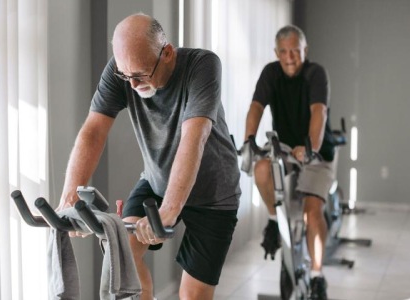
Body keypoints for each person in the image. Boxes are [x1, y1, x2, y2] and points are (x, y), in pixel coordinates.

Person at [57, 13, 241, 300]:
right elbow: (93, 130)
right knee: (121, 254)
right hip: (157, 182)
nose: (131, 84)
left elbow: (194, 139)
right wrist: (70, 195)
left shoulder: (203, 66)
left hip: (214, 193)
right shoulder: (124, 69)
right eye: (124, 76)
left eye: (140, 75)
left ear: (166, 53)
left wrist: (169, 210)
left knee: (192, 295)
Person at [243, 25, 335, 300]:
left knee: (311, 210)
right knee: (261, 168)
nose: (290, 57)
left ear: (305, 51)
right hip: (284, 148)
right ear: (276, 53)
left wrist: (310, 148)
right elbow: (256, 106)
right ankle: (274, 220)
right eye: (284, 52)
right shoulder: (271, 73)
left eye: (295, 51)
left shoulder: (315, 73)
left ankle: (318, 277)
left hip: (317, 150)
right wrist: (249, 141)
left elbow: (318, 111)